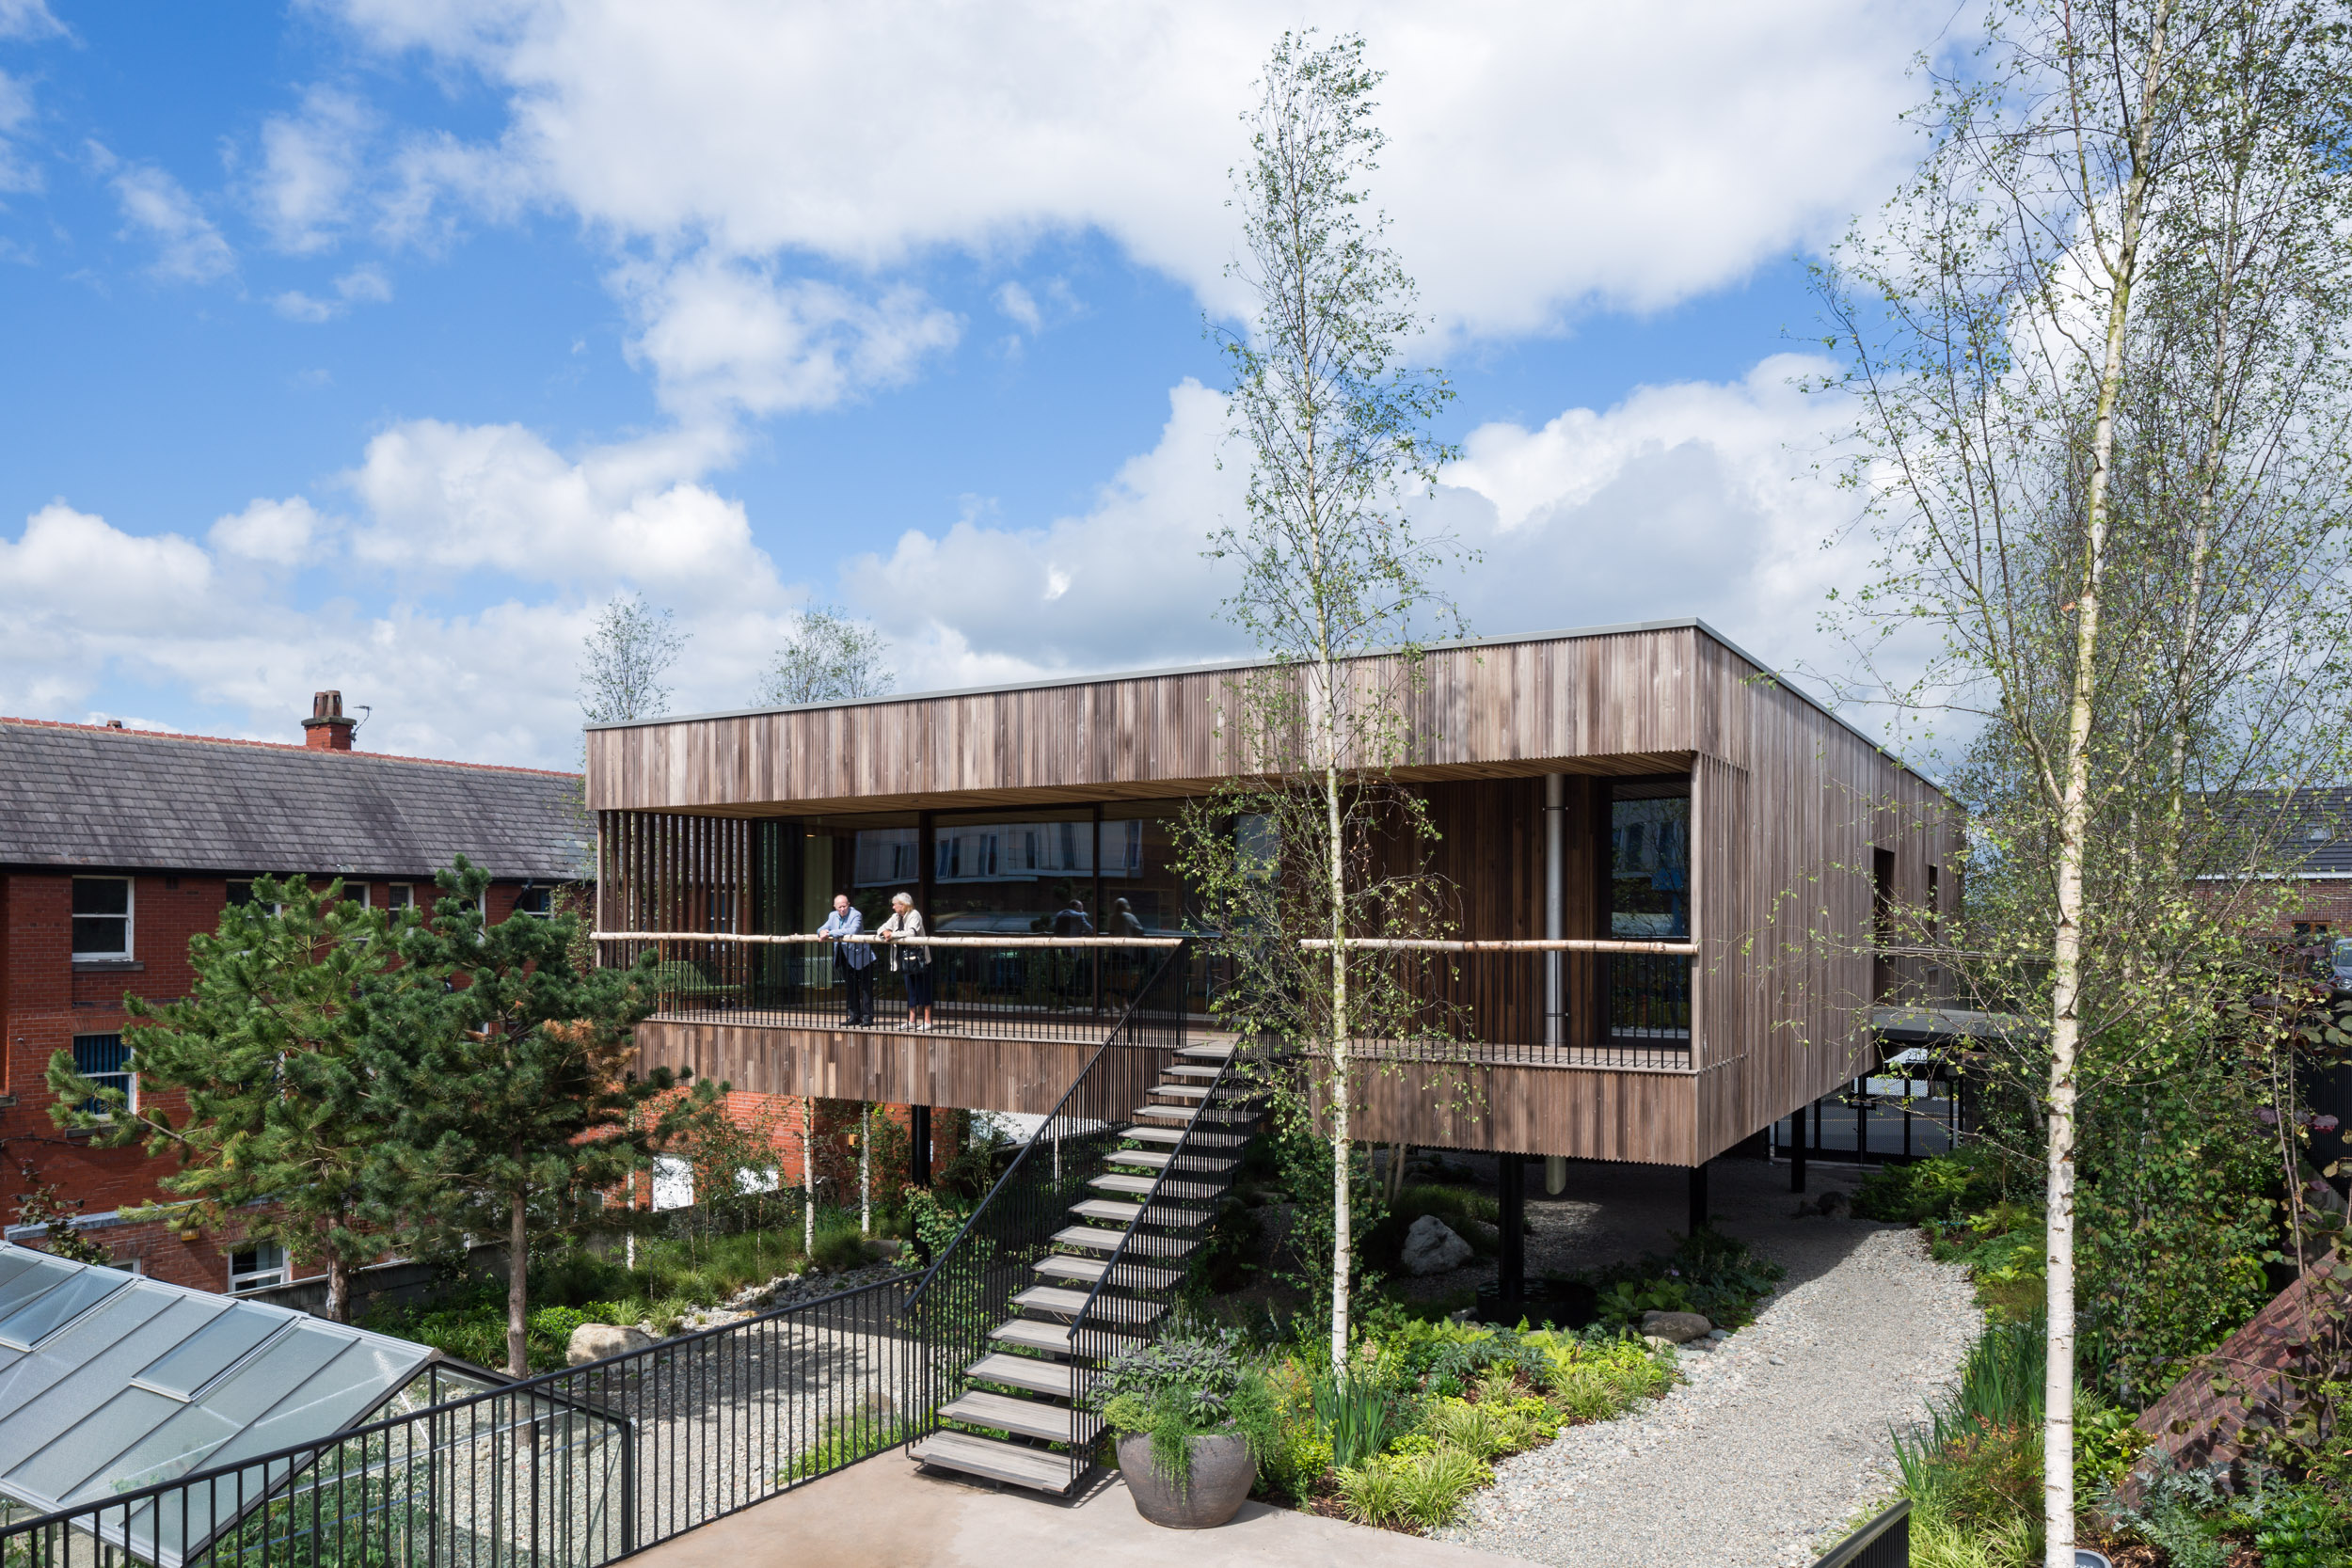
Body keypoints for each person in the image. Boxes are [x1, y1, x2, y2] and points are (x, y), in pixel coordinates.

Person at [880, 891, 934, 1031]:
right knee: (910, 989)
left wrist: (893, 934)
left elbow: (911, 932)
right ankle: (911, 1020)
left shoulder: (914, 915)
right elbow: (881, 928)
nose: (893, 907)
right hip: (905, 959)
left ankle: (927, 1021)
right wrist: (885, 932)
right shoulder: (895, 917)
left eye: (895, 905)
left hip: (919, 958)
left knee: (923, 988)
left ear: (903, 905)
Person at [819, 894, 874, 1026]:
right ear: (835, 907)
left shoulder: (856, 915)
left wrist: (830, 933)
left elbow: (853, 930)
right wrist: (821, 932)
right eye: (839, 907)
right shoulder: (832, 916)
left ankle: (867, 1018)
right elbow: (822, 928)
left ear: (848, 904)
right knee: (850, 988)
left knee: (866, 989)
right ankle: (854, 1016)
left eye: (844, 906)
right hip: (844, 956)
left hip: (861, 956)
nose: (842, 909)